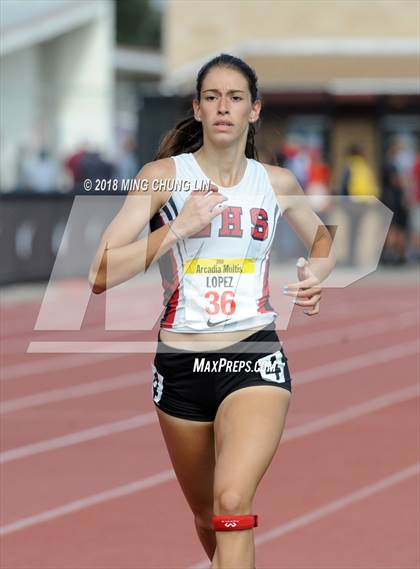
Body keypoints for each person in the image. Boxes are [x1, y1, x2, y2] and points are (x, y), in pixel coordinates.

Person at [88, 54, 335, 569]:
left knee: (231, 506)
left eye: (236, 97)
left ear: (254, 111)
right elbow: (100, 273)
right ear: (197, 110)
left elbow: (321, 236)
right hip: (181, 366)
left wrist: (319, 269)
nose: (224, 107)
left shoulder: (276, 182)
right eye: (212, 97)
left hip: (253, 355)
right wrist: (177, 227)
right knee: (207, 517)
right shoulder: (161, 177)